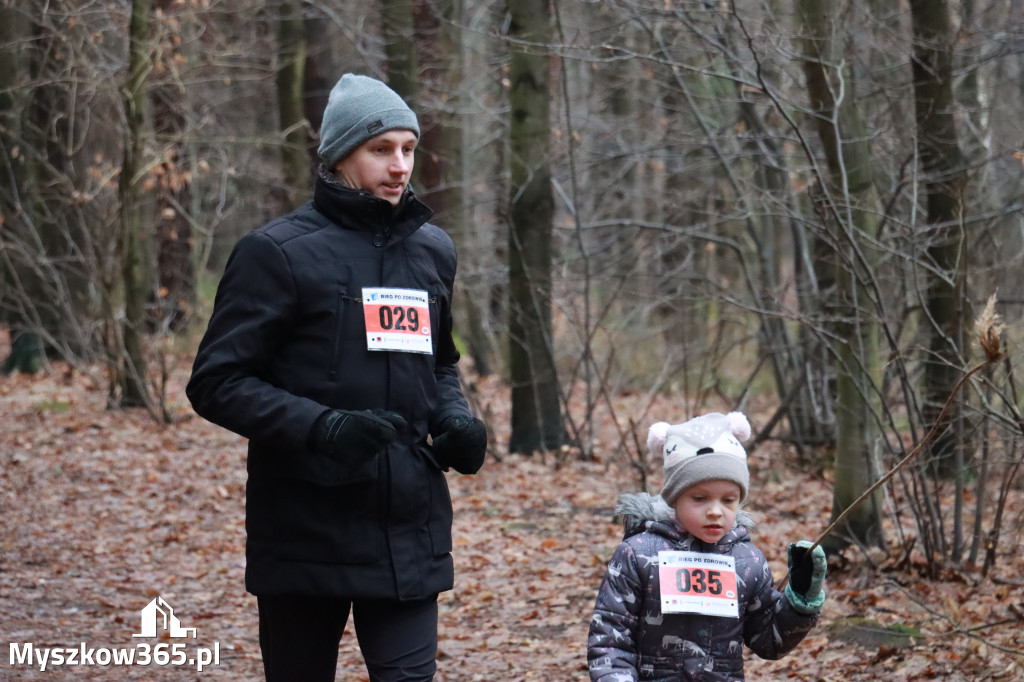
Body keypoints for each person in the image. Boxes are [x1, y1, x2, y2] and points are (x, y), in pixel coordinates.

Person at [186, 73, 487, 682]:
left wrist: (453, 417)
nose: (400, 165)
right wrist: (323, 427)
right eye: (381, 149)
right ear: (338, 155)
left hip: (407, 524)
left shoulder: (432, 251)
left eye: (408, 148)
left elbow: (438, 362)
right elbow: (217, 380)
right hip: (305, 525)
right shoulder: (277, 253)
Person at [587, 411, 826, 681]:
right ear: (674, 498)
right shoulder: (638, 553)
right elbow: (610, 637)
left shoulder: (748, 561)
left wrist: (801, 598)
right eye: (699, 498)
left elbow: (769, 641)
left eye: (728, 500)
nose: (715, 511)